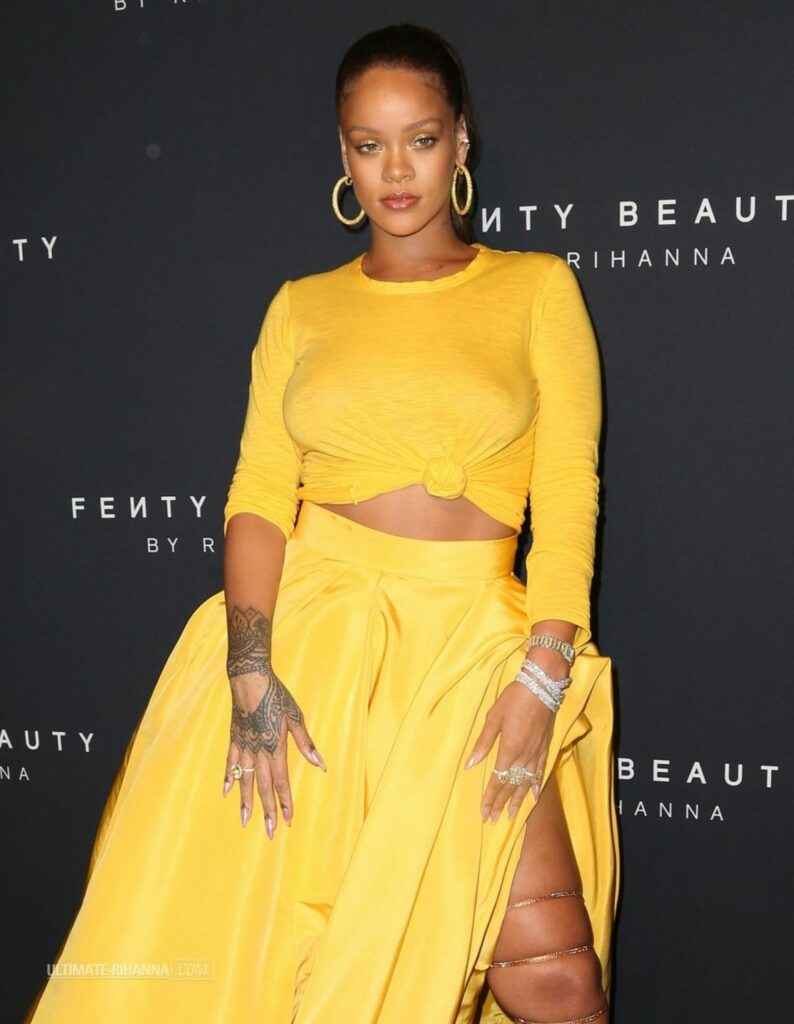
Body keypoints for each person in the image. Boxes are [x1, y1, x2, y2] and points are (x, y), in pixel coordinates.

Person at [26, 22, 620, 1024]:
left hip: (471, 654)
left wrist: (544, 669)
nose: (396, 171)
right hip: (309, 652)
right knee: (269, 960)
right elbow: (259, 493)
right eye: (368, 143)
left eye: (420, 139)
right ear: (342, 153)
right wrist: (249, 672)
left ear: (460, 141)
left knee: (553, 977)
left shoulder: (535, 288)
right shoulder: (299, 308)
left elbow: (567, 489)